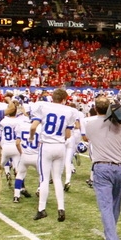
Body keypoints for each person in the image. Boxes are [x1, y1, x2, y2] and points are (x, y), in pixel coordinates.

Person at [80, 95, 121, 240]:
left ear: (95, 107)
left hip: (102, 167)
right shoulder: (119, 124)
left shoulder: (90, 124)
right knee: (115, 205)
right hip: (120, 167)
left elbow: (89, 137)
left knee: (106, 206)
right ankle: (111, 234)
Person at [29, 89, 78, 222]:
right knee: (57, 178)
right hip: (60, 146)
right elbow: (68, 134)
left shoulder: (43, 106)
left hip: (46, 145)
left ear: (52, 97)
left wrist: (31, 137)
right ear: (64, 99)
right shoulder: (70, 111)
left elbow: (33, 127)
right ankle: (61, 208)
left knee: (44, 179)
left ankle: (41, 209)